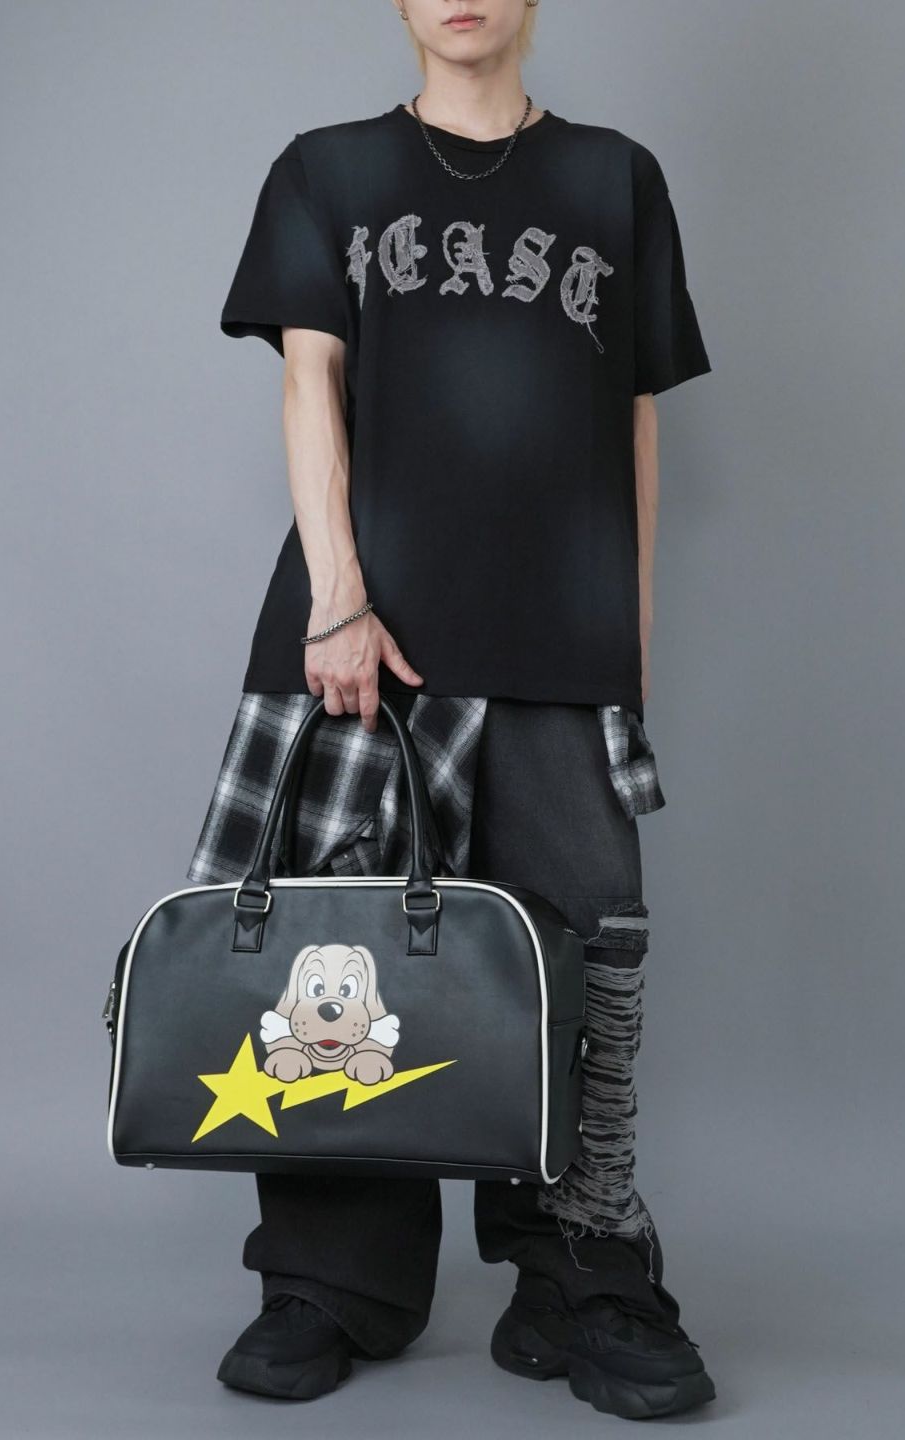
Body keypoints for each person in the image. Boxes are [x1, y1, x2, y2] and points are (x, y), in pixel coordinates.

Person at [186, 0, 715, 1421]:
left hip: (558, 633)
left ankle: (579, 1273)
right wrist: (337, 597)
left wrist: (628, 645)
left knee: (579, 955)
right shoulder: (328, 171)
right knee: (337, 951)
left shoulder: (615, 180)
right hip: (372, 636)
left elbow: (635, 422)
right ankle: (331, 1281)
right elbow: (311, 380)